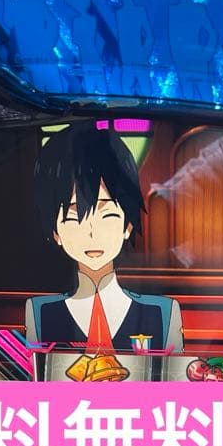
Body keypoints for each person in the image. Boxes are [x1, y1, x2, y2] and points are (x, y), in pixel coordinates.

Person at [26, 122, 183, 352]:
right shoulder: (40, 312)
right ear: (55, 232)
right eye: (74, 217)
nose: (92, 232)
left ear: (127, 225)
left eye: (107, 214)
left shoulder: (163, 313)